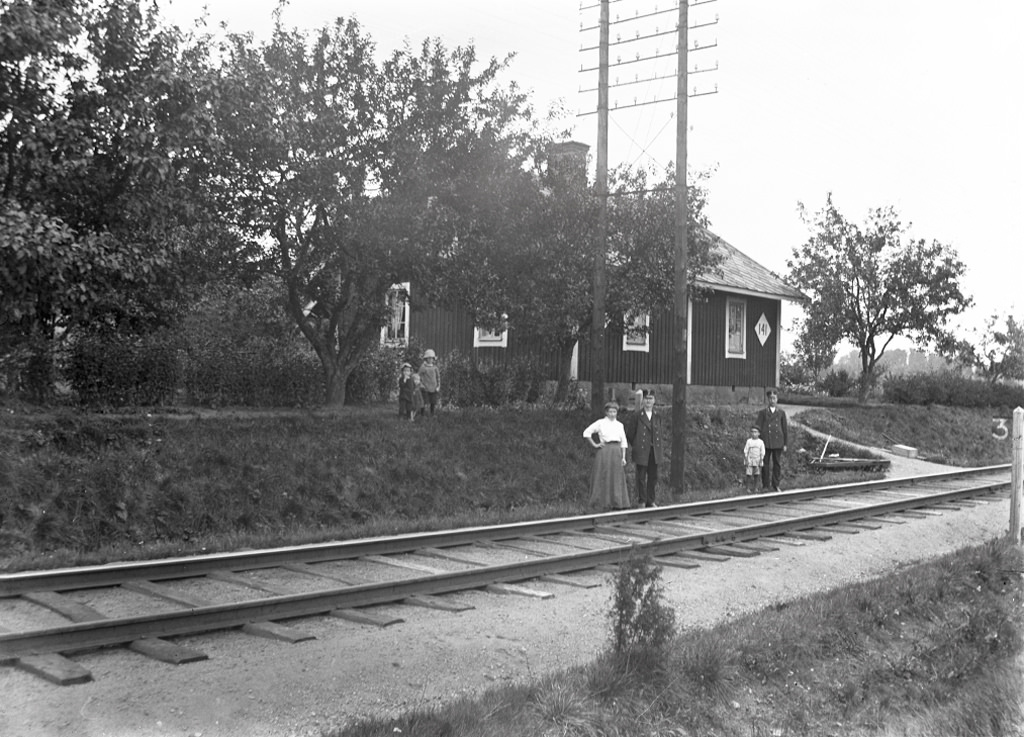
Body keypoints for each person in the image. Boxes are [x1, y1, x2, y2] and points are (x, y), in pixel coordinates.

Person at [582, 401, 630, 511]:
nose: (612, 414)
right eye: (610, 412)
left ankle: (617, 502)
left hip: (616, 452)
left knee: (616, 476)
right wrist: (595, 444)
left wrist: (623, 457)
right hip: (605, 452)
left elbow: (624, 442)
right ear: (606, 412)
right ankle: (601, 502)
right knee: (603, 475)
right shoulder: (600, 423)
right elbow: (586, 433)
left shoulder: (619, 425)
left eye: (614, 412)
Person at [625, 389, 665, 507]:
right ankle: (642, 501)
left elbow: (659, 433)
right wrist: (637, 445)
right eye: (646, 399)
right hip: (642, 450)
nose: (648, 401)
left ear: (654, 401)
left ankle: (650, 500)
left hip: (654, 451)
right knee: (641, 477)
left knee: (653, 477)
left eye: (651, 399)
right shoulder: (637, 416)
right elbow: (630, 433)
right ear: (643, 401)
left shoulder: (657, 416)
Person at [755, 388, 788, 491]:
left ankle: (776, 484)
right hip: (766, 442)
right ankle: (765, 485)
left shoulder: (781, 413)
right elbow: (758, 427)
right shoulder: (763, 413)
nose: (772, 400)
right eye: (770, 398)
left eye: (774, 398)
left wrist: (785, 443)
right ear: (768, 400)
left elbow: (784, 429)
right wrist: (757, 441)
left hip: (778, 442)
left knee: (777, 464)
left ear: (777, 399)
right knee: (765, 463)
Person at [742, 426, 766, 494]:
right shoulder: (749, 441)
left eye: (755, 432)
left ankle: (755, 488)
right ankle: (747, 488)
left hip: (757, 459)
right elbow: (745, 450)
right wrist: (746, 459)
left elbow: (762, 452)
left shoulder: (761, 442)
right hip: (750, 459)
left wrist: (761, 460)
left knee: (757, 474)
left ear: (759, 433)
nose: (753, 434)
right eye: (752, 432)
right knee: (748, 474)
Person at [418, 349, 441, 417]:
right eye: (429, 358)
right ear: (426, 359)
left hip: (434, 388)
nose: (431, 360)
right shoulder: (423, 367)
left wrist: (438, 386)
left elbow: (438, 377)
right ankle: (422, 414)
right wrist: (421, 385)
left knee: (433, 402)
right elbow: (418, 377)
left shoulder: (435, 368)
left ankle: (432, 413)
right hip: (425, 388)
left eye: (432, 358)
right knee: (424, 402)